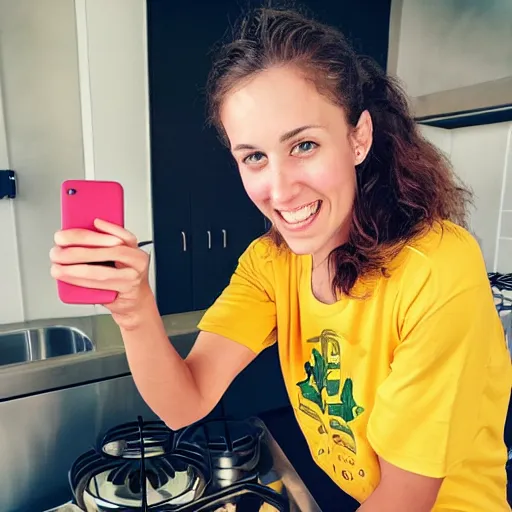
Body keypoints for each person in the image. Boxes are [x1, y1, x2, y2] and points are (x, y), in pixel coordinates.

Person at [49, 7, 511, 511]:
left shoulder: (435, 266)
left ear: (359, 137)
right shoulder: (271, 262)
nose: (280, 189)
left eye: (304, 145)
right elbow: (186, 402)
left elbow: (405, 497)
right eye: (254, 157)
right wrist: (133, 309)